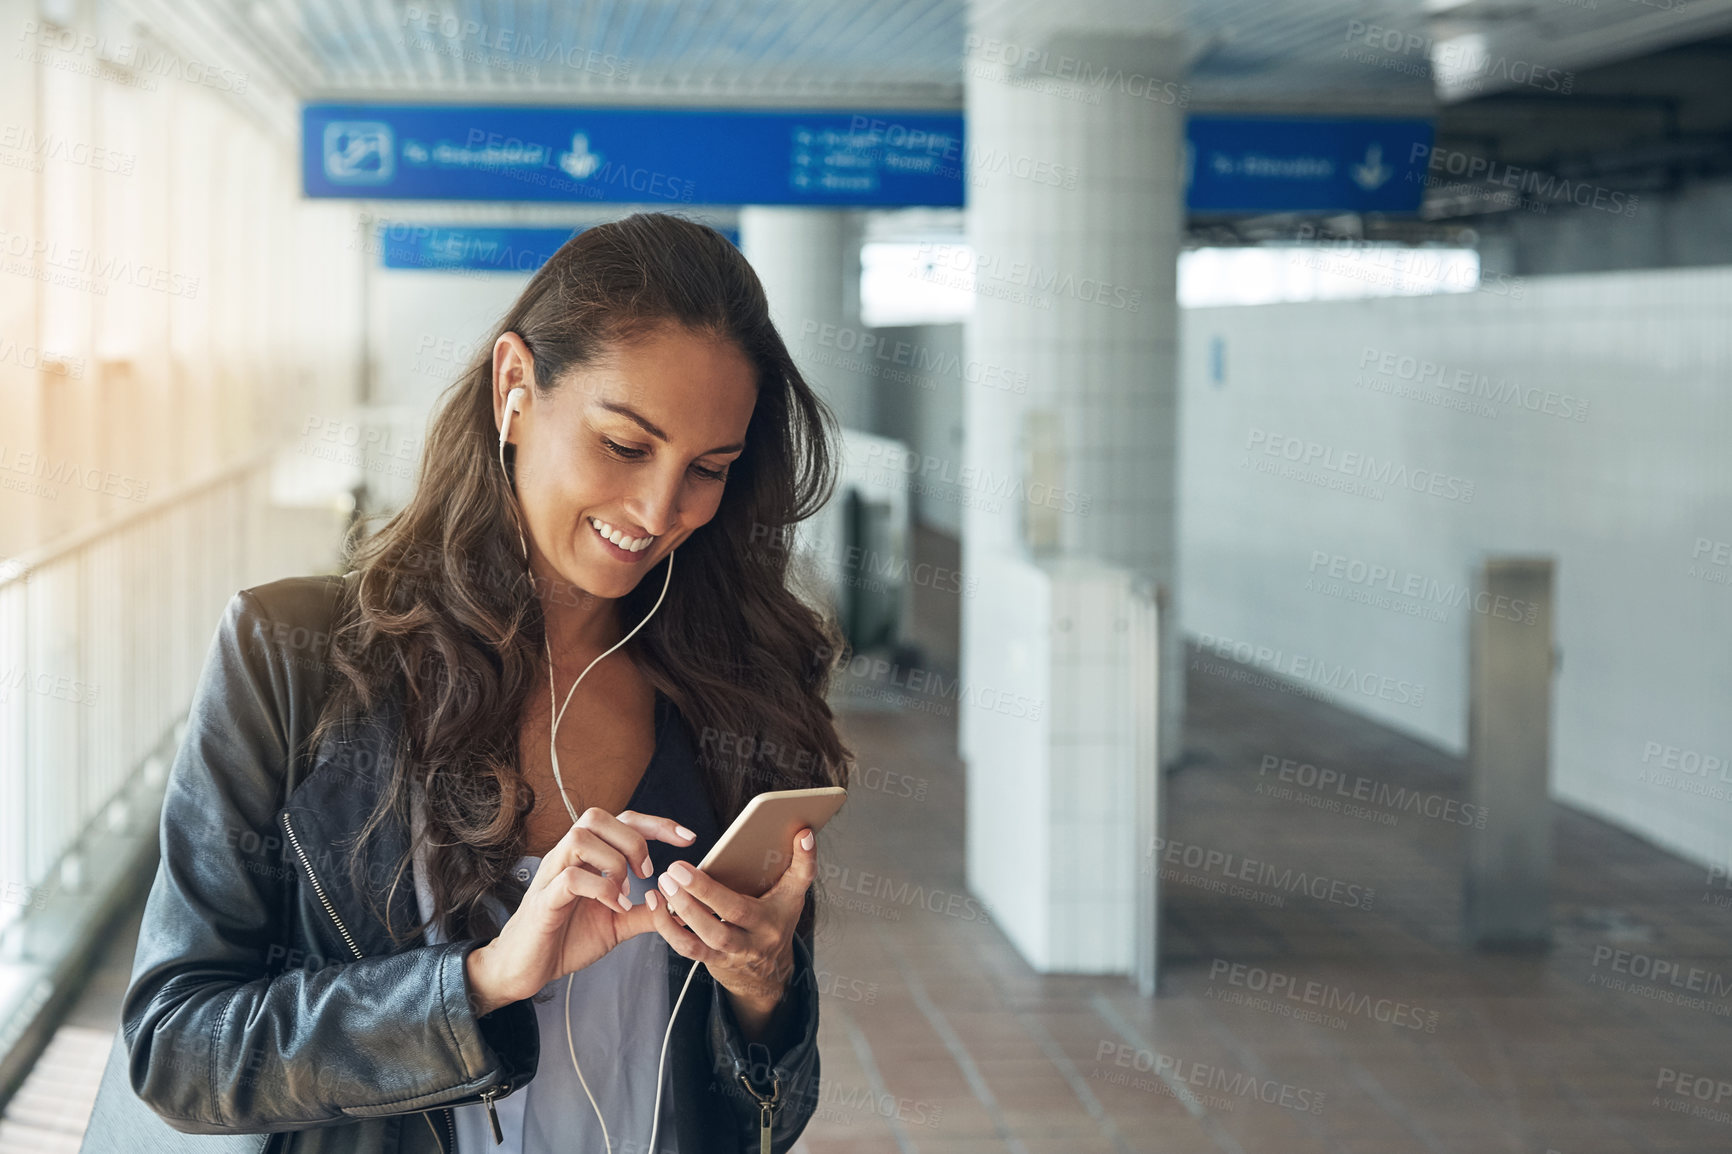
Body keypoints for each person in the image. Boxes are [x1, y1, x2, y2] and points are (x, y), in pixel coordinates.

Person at [108, 213, 853, 1154]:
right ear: (515, 386)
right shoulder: (294, 660)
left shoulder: (743, 688)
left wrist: (763, 988)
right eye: (625, 445)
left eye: (708, 470)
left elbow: (759, 1118)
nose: (661, 510)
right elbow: (180, 1048)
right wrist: (482, 982)